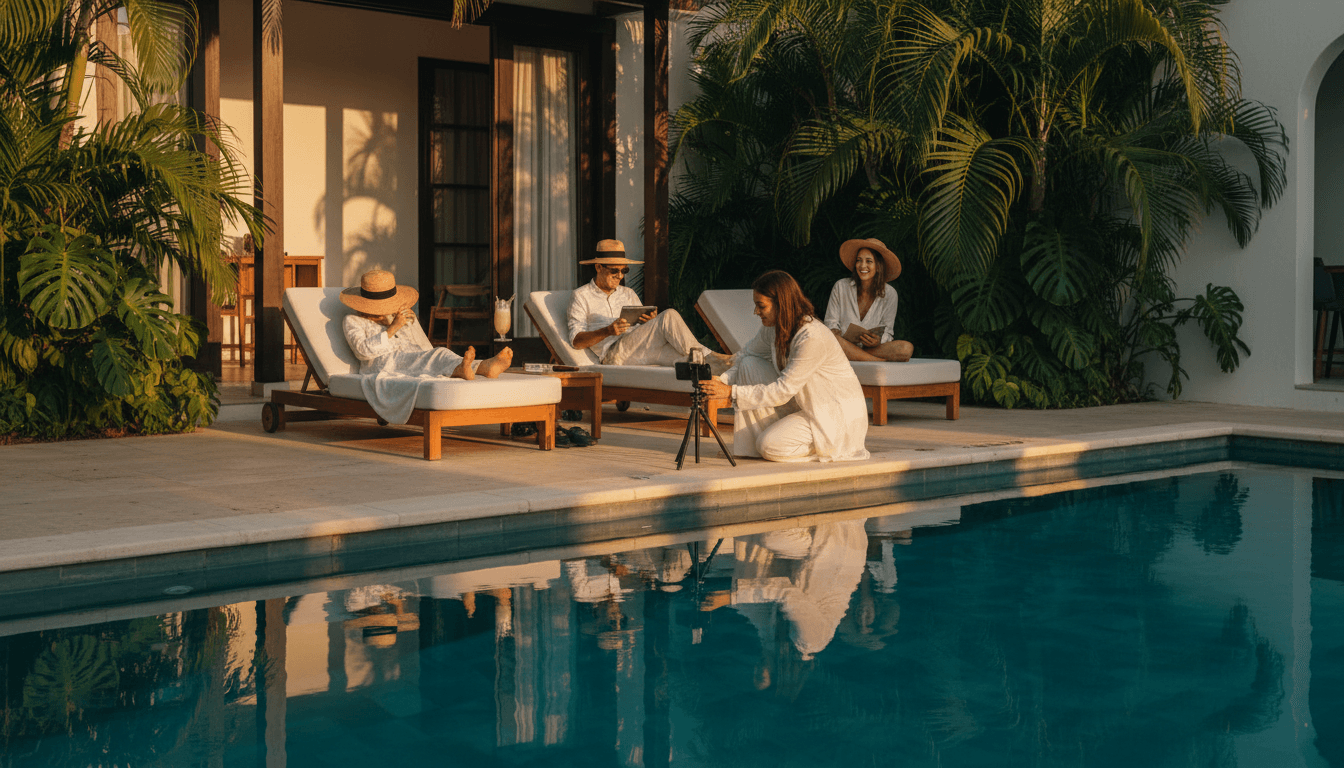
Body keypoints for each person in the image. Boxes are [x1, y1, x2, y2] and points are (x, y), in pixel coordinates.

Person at [699, 270, 870, 462]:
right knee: (749, 363)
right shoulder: (772, 328)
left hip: (835, 416)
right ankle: (750, 450)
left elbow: (783, 391)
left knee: (769, 446)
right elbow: (748, 354)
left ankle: (823, 448)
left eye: (761, 306)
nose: (756, 312)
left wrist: (731, 392)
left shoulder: (811, 336)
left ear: (781, 304)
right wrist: (720, 381)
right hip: (806, 405)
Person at [340, 269, 513, 422]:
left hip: (412, 360)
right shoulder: (353, 321)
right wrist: (393, 328)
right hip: (384, 365)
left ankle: (479, 367)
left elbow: (423, 348)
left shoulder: (394, 317)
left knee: (439, 353)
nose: (384, 310)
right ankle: (474, 367)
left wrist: (413, 325)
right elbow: (362, 351)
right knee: (436, 355)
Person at [567, 239, 731, 370]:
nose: (620, 276)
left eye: (624, 271)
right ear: (598, 267)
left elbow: (642, 332)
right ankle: (713, 356)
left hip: (640, 350)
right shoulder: (581, 296)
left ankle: (731, 367)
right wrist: (607, 331)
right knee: (669, 316)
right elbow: (576, 341)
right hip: (613, 355)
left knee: (687, 358)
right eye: (614, 270)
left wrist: (649, 322)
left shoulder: (628, 293)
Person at [823, 238, 913, 362]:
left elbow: (887, 332)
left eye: (869, 261)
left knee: (906, 348)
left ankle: (856, 355)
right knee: (834, 340)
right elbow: (830, 325)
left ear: (878, 266)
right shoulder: (841, 286)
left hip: (871, 349)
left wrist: (878, 340)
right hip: (843, 345)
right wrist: (840, 335)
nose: (862, 265)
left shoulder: (890, 294)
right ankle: (876, 361)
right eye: (859, 260)